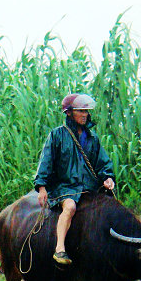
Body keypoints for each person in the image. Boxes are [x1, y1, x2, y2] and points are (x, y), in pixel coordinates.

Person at [34, 93, 116, 265]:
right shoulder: (57, 135)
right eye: (80, 111)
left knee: (109, 209)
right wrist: (42, 187)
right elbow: (46, 162)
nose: (85, 114)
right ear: (69, 112)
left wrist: (107, 178)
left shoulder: (93, 139)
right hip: (65, 188)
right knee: (70, 207)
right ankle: (60, 249)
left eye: (86, 111)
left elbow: (103, 163)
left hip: (89, 187)